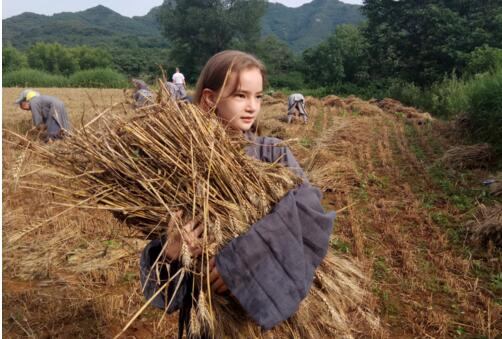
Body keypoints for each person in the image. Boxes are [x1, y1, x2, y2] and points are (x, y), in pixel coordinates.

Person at [140, 51, 335, 337]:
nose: (252, 107)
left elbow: (310, 213)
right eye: (241, 95)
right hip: (213, 315)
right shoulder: (182, 166)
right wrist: (172, 252)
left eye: (258, 96)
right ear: (210, 98)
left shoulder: (271, 152)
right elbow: (164, 243)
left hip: (268, 317)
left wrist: (240, 263)